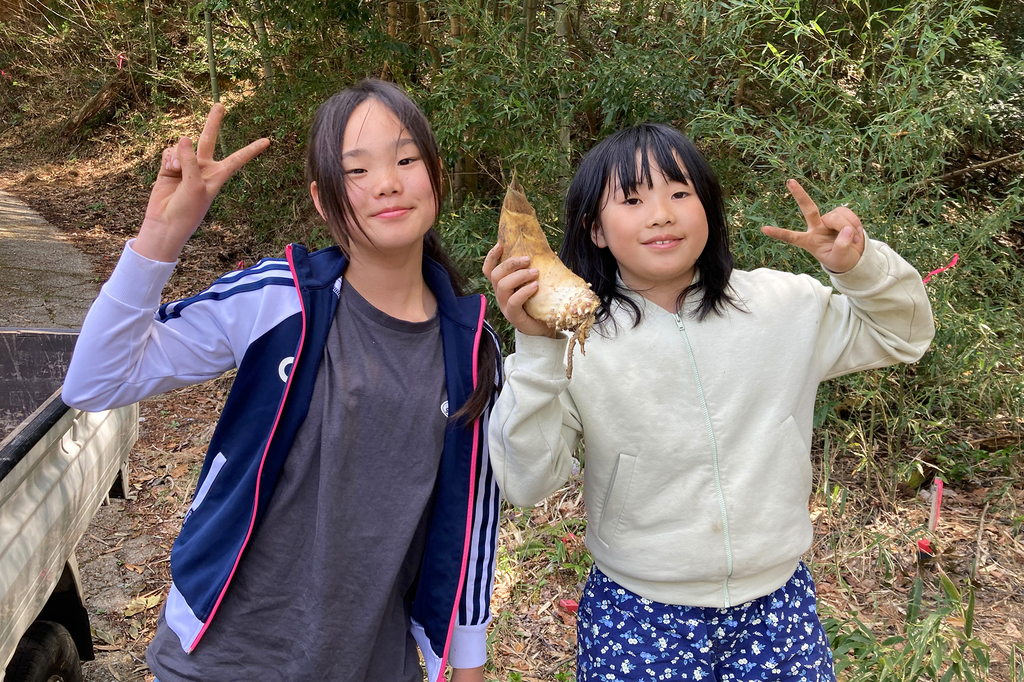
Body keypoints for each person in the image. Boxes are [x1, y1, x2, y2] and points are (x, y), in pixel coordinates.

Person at [63, 79, 501, 682]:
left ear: (436, 175)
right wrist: (161, 236)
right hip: (223, 659)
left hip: (372, 662)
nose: (387, 183)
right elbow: (94, 382)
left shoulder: (472, 347)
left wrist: (469, 663)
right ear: (324, 200)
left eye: (406, 160)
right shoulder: (280, 300)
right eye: (357, 171)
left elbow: (472, 515)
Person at [483, 122, 935, 681]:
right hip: (638, 613)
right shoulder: (577, 339)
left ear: (709, 208)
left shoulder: (780, 306)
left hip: (778, 604)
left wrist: (857, 269)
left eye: (680, 192)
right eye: (631, 199)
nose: (661, 214)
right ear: (594, 229)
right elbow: (525, 483)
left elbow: (904, 335)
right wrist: (534, 348)